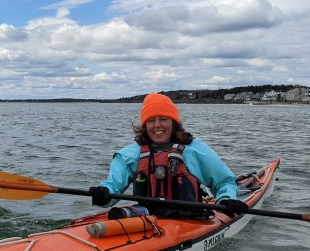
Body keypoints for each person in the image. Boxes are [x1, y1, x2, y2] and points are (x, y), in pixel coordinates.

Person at [88, 93, 248, 218]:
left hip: (190, 221)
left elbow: (224, 182)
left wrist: (226, 198)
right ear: (144, 126)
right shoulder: (129, 155)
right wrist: (103, 193)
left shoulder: (195, 149)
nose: (157, 125)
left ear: (173, 123)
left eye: (163, 119)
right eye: (151, 120)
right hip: (147, 219)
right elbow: (113, 187)